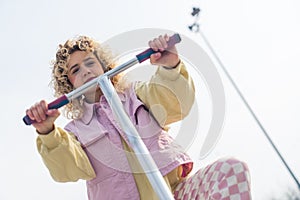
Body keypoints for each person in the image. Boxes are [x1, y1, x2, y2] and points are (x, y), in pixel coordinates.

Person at [26, 34, 252, 200]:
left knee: (231, 169)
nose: (85, 70)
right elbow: (68, 167)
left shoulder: (136, 95)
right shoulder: (75, 132)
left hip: (174, 193)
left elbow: (174, 102)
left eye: (90, 62)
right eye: (75, 70)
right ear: (69, 84)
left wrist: (170, 66)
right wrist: (47, 132)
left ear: (104, 67)